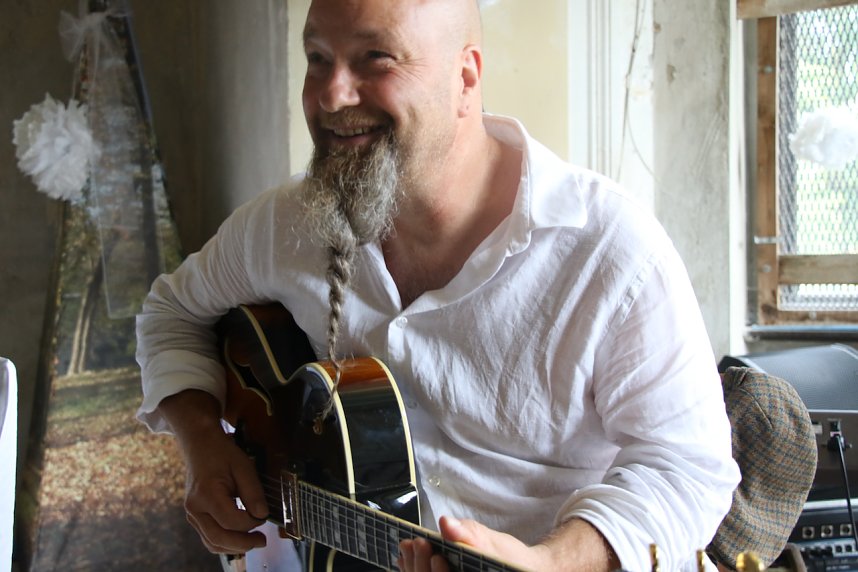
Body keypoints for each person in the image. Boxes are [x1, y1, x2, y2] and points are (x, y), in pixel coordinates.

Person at [135, 0, 740, 570]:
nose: (331, 95)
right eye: (318, 58)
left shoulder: (609, 251)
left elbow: (687, 470)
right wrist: (202, 442)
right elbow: (170, 314)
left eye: (376, 58)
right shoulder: (286, 224)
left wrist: (553, 561)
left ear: (465, 78)